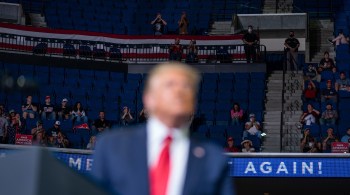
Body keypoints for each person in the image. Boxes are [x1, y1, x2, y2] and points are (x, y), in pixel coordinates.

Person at [92, 62, 234, 195]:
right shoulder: (111, 146)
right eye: (170, 85)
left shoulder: (213, 158)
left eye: (186, 87)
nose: (179, 91)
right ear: (149, 99)